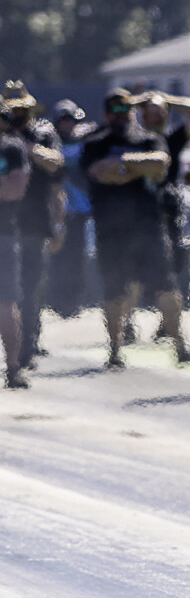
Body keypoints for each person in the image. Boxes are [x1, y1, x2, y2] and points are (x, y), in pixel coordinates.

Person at [80, 88, 189, 369]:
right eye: (115, 110)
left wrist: (122, 163)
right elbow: (98, 173)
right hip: (111, 229)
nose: (121, 114)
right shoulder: (95, 143)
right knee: (115, 290)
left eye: (125, 109)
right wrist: (138, 167)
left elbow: (160, 163)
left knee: (166, 287)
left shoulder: (149, 139)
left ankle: (180, 345)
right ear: (106, 113)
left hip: (149, 226)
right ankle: (115, 350)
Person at [2, 82, 64, 369]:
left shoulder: (42, 134)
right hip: (7, 221)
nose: (18, 116)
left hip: (34, 221)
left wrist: (28, 149)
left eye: (22, 111)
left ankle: (29, 341)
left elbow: (56, 166)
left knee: (30, 285)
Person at [137, 90, 190, 323]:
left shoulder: (172, 139)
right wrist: (138, 103)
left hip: (167, 212)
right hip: (138, 213)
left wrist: (166, 100)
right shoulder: (132, 140)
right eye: (151, 114)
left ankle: (167, 321)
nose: (156, 118)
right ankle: (130, 323)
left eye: (160, 114)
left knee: (173, 266)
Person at [48, 100, 98, 318]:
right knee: (57, 256)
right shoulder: (49, 142)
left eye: (70, 120)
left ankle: (74, 302)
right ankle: (57, 301)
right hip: (56, 210)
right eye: (63, 120)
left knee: (77, 257)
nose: (67, 124)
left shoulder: (85, 142)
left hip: (79, 210)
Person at [0, 104, 32, 388]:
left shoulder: (11, 148)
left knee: (6, 301)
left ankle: (13, 368)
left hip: (3, 234)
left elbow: (15, 190)